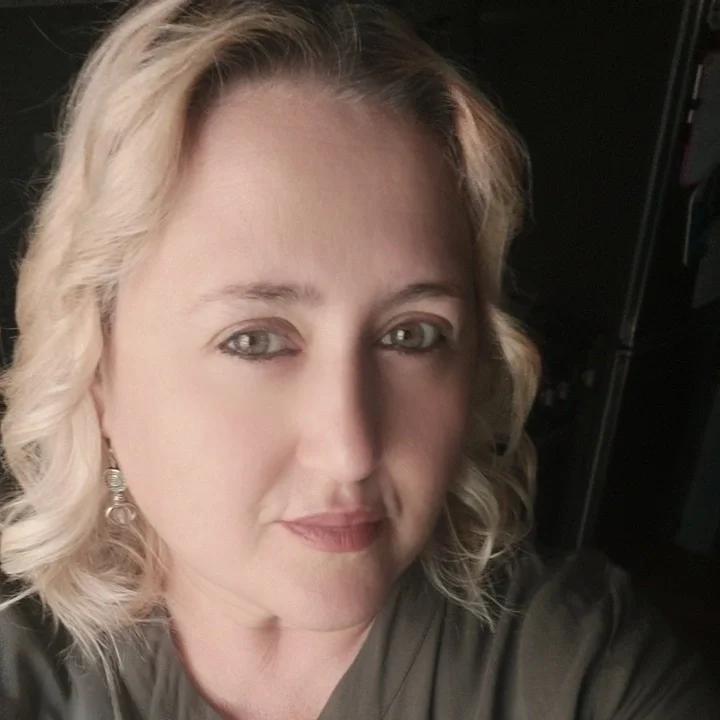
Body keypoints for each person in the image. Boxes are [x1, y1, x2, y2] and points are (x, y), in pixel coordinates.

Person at [0, 1, 717, 718]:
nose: (352, 451)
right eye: (254, 340)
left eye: (412, 336)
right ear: (97, 370)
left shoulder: (583, 672)